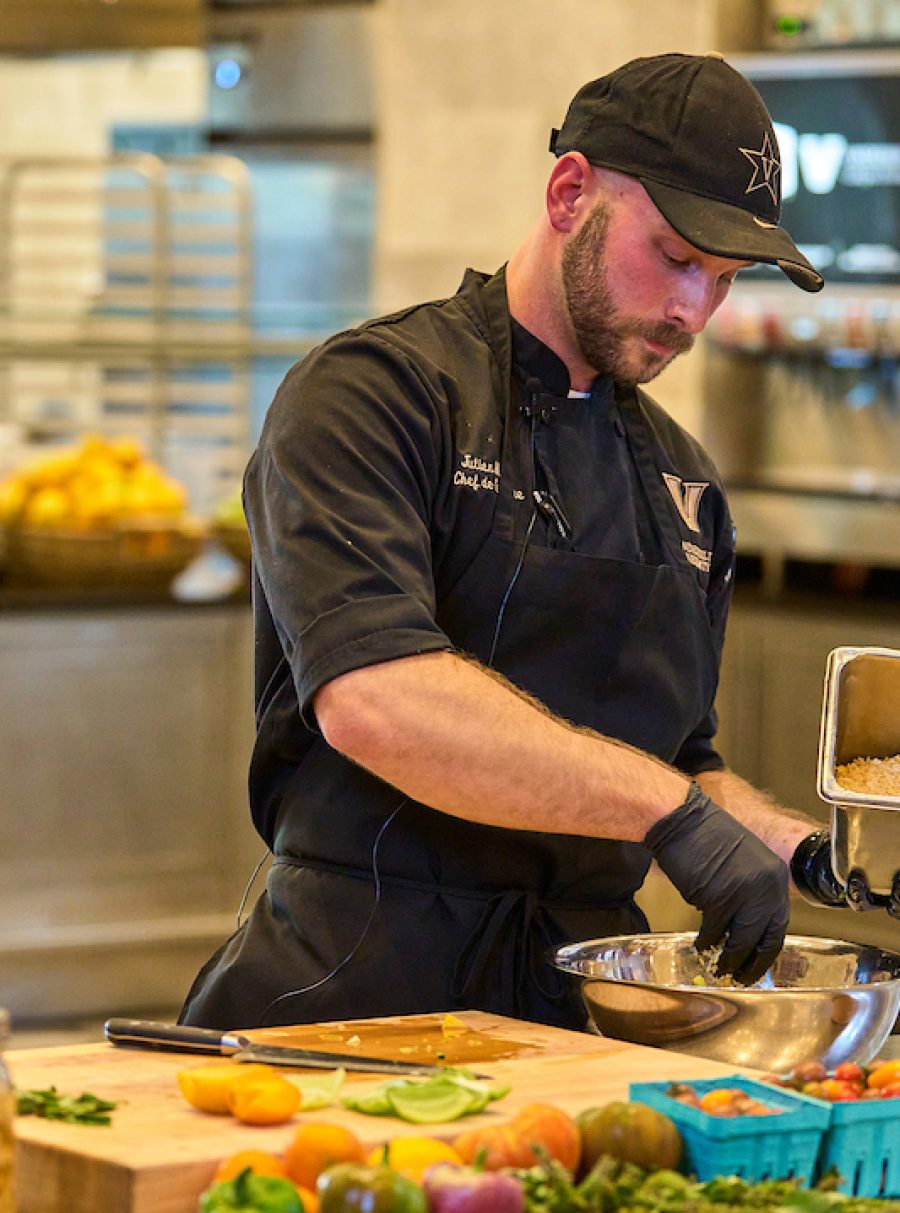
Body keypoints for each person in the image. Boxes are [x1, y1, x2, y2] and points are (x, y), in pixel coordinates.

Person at [181, 51, 857, 1037]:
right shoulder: (374, 395)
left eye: (724, 279)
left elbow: (683, 759)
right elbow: (379, 699)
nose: (692, 312)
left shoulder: (687, 484)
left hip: (572, 1017)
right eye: (674, 255)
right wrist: (671, 814)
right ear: (569, 191)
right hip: (351, 999)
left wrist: (794, 848)